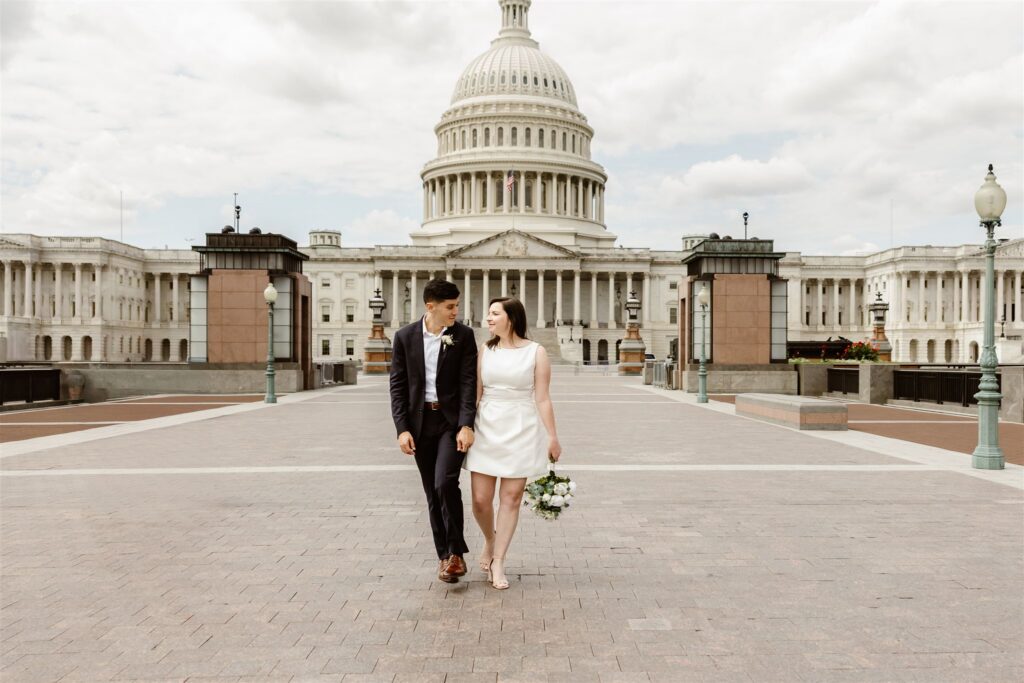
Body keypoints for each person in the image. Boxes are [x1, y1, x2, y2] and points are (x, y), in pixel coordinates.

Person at [465, 297, 562, 590]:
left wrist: (553, 435)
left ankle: (499, 560)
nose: (488, 319)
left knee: (511, 499)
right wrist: (466, 426)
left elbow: (542, 397)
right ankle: (491, 539)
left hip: (521, 424)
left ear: (511, 317)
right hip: (487, 424)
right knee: (481, 500)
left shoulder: (537, 352)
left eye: (494, 314)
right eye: (489, 313)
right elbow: (477, 393)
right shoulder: (486, 349)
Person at [389, 279, 478, 583]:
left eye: (457, 305)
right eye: (451, 307)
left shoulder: (463, 336)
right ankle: (445, 557)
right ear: (431, 307)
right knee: (431, 492)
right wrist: (402, 429)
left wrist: (467, 424)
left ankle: (456, 553)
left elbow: (468, 384)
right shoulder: (404, 337)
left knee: (445, 483)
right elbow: (398, 387)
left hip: (449, 422)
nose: (457, 311)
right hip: (420, 423)